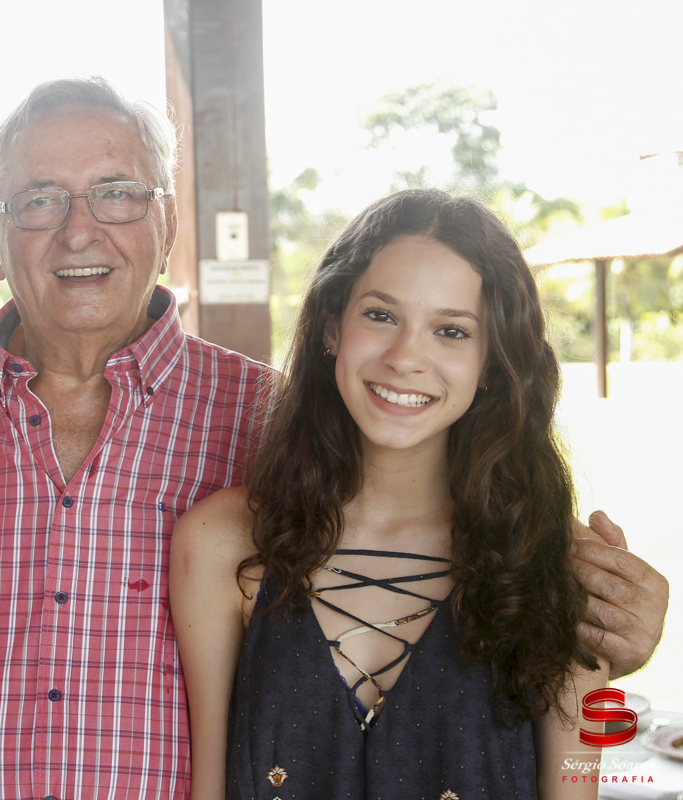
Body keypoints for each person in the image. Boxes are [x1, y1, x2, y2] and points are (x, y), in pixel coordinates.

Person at [0, 79, 666, 799]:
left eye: (117, 192)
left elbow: (570, 695)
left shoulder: (273, 423)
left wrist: (633, 632)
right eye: (37, 200)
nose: (78, 229)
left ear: (167, 219)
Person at [172, 189, 611, 799]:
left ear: (493, 361)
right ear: (332, 328)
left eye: (452, 330)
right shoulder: (223, 542)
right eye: (381, 315)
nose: (407, 357)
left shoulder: (560, 561)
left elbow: (576, 787)